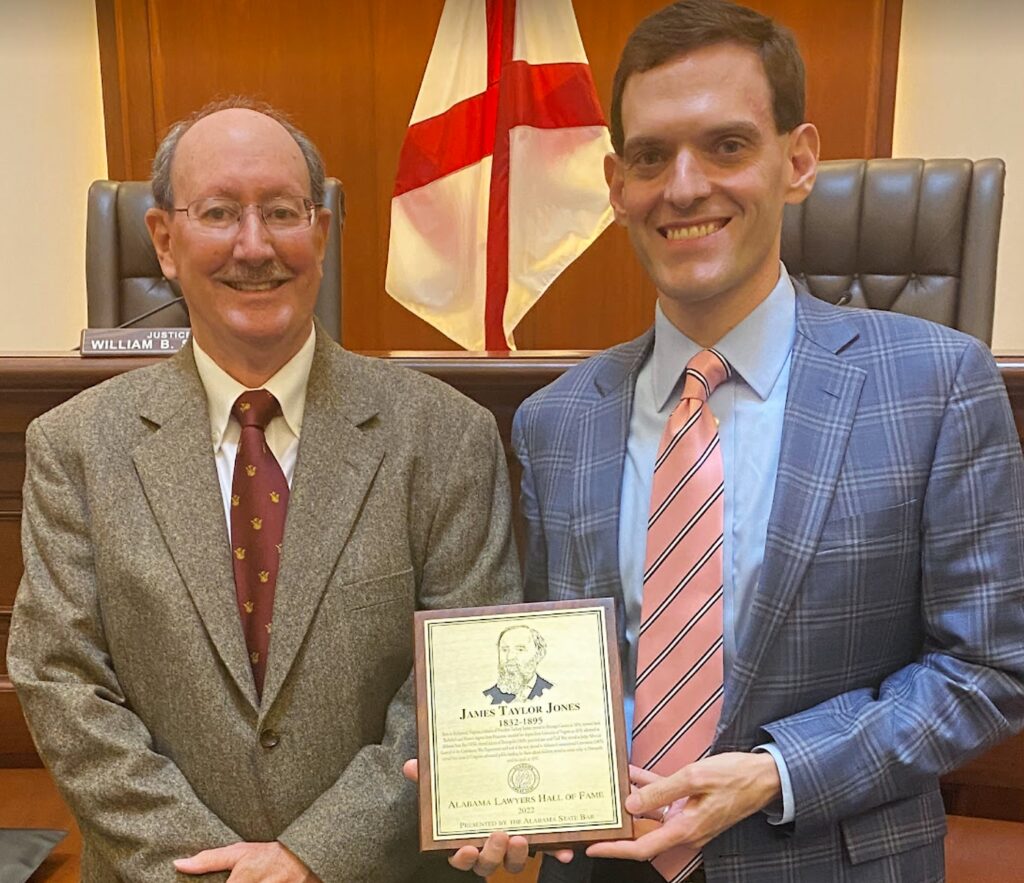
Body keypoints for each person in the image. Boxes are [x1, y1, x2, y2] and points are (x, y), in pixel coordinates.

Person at [500, 2, 1024, 881]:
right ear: (616, 181)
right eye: (651, 155)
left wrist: (779, 771)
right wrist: (507, 797)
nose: (684, 186)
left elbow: (988, 669)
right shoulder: (554, 421)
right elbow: (550, 670)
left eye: (728, 146)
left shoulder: (937, 384)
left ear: (799, 159)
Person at [7, 98, 518, 882]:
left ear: (318, 232)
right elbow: (62, 678)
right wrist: (203, 868)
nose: (255, 245)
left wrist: (315, 857)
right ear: (165, 242)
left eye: (281, 211)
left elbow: (460, 686)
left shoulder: (445, 435)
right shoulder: (75, 445)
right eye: (218, 212)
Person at [483, 625, 554, 704]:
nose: (510, 657)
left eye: (520, 649)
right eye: (504, 650)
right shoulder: (486, 698)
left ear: (539, 654)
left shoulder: (554, 693)